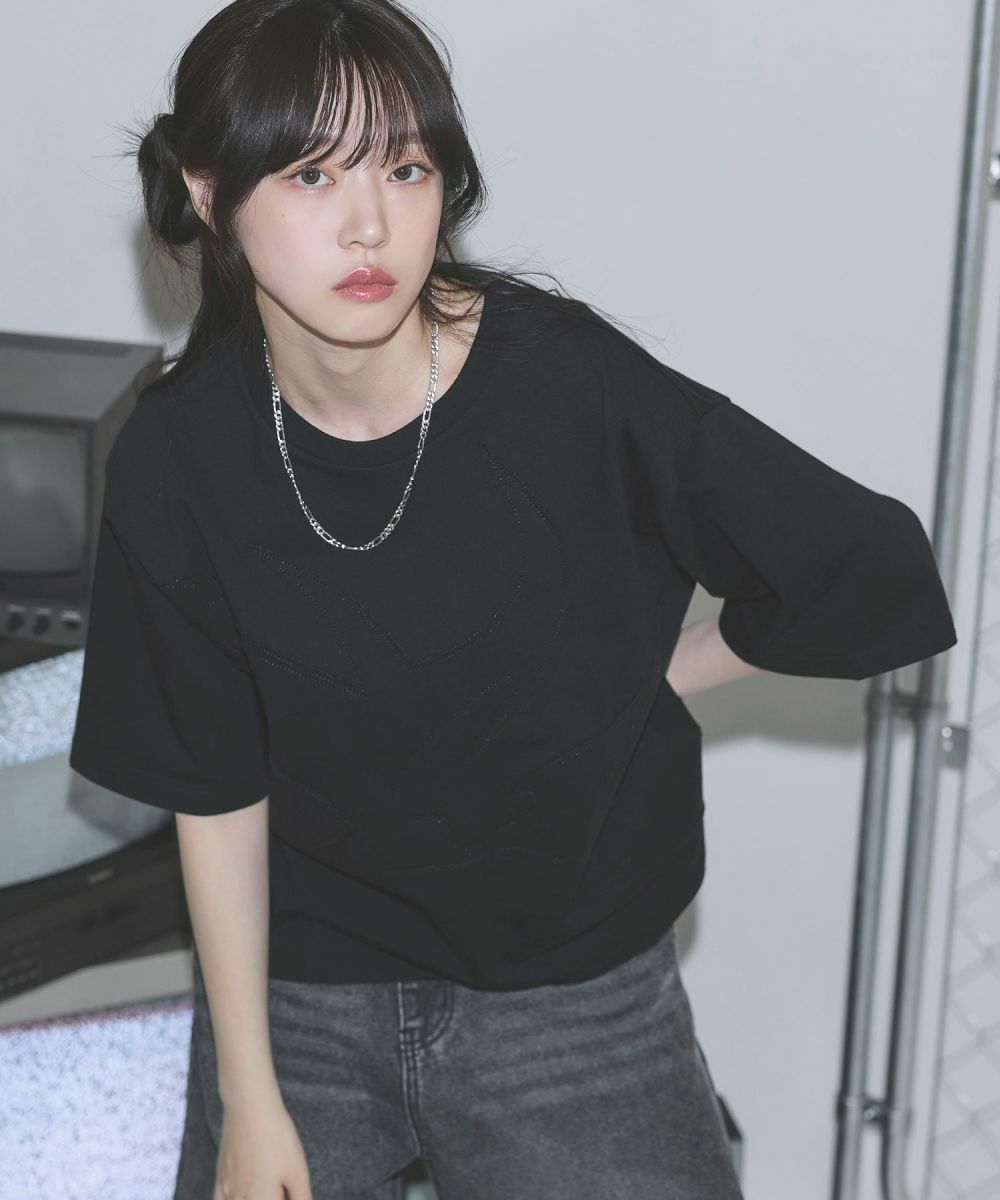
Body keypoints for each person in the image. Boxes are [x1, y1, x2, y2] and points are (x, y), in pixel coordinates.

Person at [68, 1, 958, 1197]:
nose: (371, 222)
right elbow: (215, 791)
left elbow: (859, 563)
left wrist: (654, 668)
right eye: (312, 173)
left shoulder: (564, 388)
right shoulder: (182, 457)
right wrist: (251, 1100)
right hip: (301, 995)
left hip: (570, 1003)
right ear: (210, 190)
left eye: (405, 167)